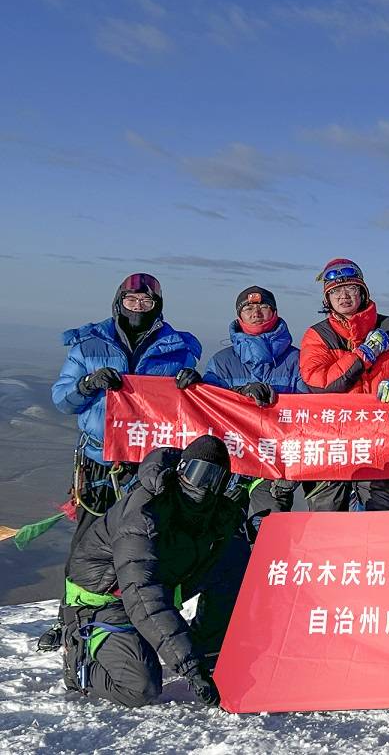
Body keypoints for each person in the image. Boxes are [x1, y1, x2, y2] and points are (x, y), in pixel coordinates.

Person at [41, 273, 201, 652]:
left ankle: (147, 617)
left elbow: (194, 402)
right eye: (132, 300)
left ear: (157, 305)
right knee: (87, 543)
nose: (138, 307)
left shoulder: (178, 348)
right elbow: (62, 399)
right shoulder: (88, 343)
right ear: (119, 301)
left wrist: (196, 383)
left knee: (150, 541)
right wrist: (86, 385)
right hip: (99, 459)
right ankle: (69, 618)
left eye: (146, 301)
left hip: (150, 461)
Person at [61, 435, 249, 707]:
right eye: (198, 474)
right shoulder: (144, 512)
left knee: (234, 556)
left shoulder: (216, 511)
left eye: (215, 479)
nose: (205, 486)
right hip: (105, 599)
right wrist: (188, 666)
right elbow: (143, 594)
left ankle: (209, 648)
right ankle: (79, 664)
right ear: (181, 470)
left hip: (159, 586)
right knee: (141, 687)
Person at [299, 259, 389, 511]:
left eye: (351, 288)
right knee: (325, 521)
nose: (344, 296)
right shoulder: (318, 335)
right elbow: (319, 384)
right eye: (335, 291)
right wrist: (363, 355)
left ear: (363, 292)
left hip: (381, 441)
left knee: (385, 521)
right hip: (332, 441)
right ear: (327, 299)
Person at [171, 286, 305, 524]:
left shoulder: (297, 360)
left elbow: (307, 416)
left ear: (274, 312)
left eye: (263, 306)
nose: (256, 313)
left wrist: (294, 467)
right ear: (238, 317)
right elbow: (206, 411)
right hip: (228, 463)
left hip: (275, 468)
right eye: (248, 308)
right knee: (217, 535)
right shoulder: (222, 362)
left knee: (267, 534)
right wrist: (195, 387)